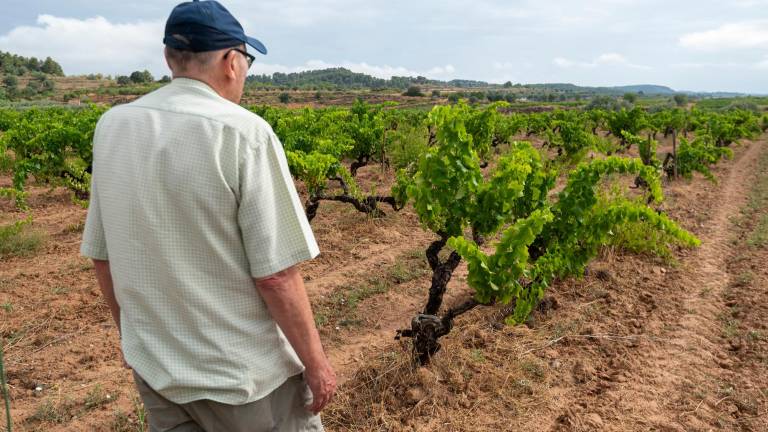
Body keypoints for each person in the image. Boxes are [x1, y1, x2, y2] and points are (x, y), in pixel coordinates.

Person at [79, 1, 336, 430]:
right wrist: (317, 364)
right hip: (242, 381)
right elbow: (276, 276)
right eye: (247, 60)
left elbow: (102, 256)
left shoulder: (112, 127)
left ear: (168, 58)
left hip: (159, 372)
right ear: (231, 62)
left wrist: (134, 342)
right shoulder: (243, 133)